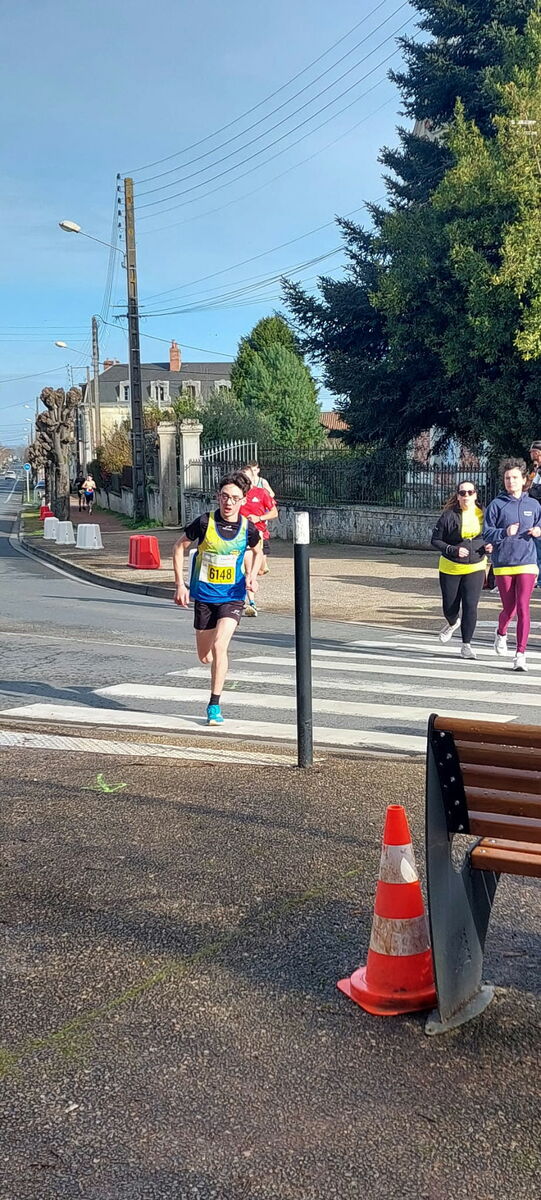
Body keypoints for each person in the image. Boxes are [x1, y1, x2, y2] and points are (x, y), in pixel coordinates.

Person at [172, 472, 263, 725]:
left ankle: (214, 705)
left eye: (234, 498)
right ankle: (214, 664)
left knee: (220, 645)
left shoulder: (248, 528)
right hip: (204, 597)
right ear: (217, 497)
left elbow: (258, 551)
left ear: (243, 500)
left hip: (232, 597)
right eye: (224, 496)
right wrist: (180, 584)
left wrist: (252, 576)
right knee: (205, 656)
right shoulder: (204, 522)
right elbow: (178, 547)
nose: (228, 502)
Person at [484, 458, 541, 672]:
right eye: (507, 478)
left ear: (524, 479)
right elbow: (487, 533)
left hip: (527, 561)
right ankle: (501, 632)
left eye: (515, 477)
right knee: (510, 609)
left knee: (523, 607)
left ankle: (520, 654)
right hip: (504, 563)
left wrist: (539, 531)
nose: (511, 481)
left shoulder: (533, 505)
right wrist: (504, 532)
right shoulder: (496, 505)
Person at [431, 481, 489, 660]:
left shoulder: (484, 513)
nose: (466, 496)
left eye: (470, 492)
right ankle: (452, 622)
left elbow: (490, 534)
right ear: (457, 496)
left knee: (470, 605)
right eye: (462, 493)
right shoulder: (449, 516)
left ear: (475, 495)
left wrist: (489, 546)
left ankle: (466, 645)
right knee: (450, 607)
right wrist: (452, 549)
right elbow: (435, 540)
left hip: (476, 565)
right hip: (451, 566)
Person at [240, 464, 278, 615]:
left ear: (253, 478)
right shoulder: (237, 496)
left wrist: (259, 518)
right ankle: (250, 602)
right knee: (248, 571)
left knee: (260, 570)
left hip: (261, 534)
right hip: (243, 537)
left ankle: (253, 579)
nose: (244, 481)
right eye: (242, 478)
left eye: (247, 478)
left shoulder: (261, 493)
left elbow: (274, 512)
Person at [528, 441, 541, 586]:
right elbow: (527, 485)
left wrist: (531, 491)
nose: (530, 454)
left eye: (532, 452)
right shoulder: (535, 469)